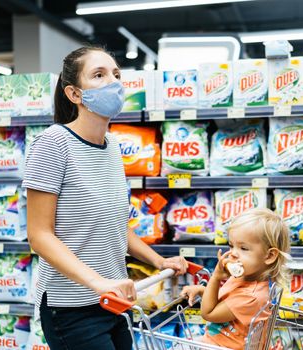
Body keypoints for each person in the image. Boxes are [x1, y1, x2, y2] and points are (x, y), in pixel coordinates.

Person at [23, 45, 188, 350]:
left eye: (115, 74)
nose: (112, 82)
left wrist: (157, 260)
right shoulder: (52, 144)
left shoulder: (112, 146)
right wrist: (98, 282)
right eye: (98, 75)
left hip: (115, 300)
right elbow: (39, 235)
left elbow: (115, 225)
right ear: (74, 94)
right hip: (72, 307)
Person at [181, 208, 291, 350]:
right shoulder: (246, 277)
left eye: (243, 248)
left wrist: (215, 277)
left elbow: (208, 313)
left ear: (269, 256)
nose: (232, 254)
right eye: (231, 246)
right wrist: (203, 290)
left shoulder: (251, 297)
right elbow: (226, 301)